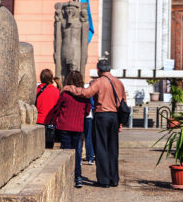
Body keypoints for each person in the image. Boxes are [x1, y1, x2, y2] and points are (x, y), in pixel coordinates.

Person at [63, 58, 127, 188]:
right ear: (109, 69)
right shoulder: (119, 83)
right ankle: (114, 179)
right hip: (115, 116)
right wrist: (120, 123)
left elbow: (86, 93)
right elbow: (123, 102)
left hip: (102, 116)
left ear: (99, 70)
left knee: (101, 147)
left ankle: (104, 180)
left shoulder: (99, 82)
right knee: (113, 149)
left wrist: (70, 88)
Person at [47, 70, 91, 189]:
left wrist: (57, 118)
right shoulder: (84, 96)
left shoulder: (65, 94)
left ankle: (66, 177)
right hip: (77, 126)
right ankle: (78, 178)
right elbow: (87, 111)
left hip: (65, 125)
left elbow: (57, 108)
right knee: (76, 152)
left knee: (66, 152)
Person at [35, 69, 60, 148]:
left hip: (37, 121)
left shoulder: (37, 90)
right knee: (48, 148)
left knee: (37, 147)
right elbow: (57, 108)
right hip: (50, 122)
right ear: (51, 78)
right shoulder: (55, 91)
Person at [83, 69, 96, 164]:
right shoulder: (93, 93)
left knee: (88, 136)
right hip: (91, 115)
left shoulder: (88, 92)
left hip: (88, 116)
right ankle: (91, 156)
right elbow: (92, 104)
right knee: (90, 136)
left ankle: (89, 156)